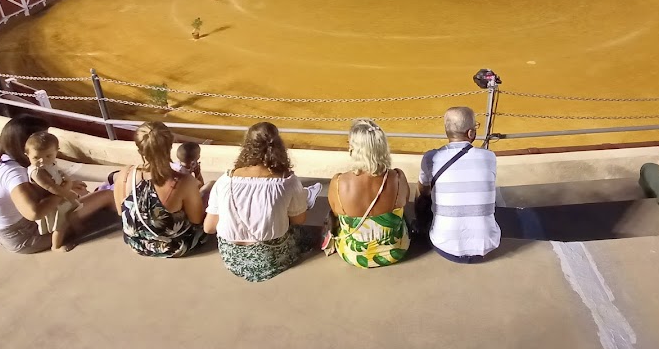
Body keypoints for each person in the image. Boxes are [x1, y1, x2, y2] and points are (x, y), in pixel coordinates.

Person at [0, 115, 114, 254]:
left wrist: (67, 187)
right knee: (105, 196)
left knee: (81, 193)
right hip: (26, 237)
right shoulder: (14, 174)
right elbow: (34, 213)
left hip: (3, 233)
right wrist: (63, 191)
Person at [203, 122, 316, 282]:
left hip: (231, 258)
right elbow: (299, 220)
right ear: (278, 146)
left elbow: (209, 228)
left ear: (247, 146)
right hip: (270, 257)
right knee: (304, 234)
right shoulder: (287, 182)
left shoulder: (225, 180)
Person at [113, 122, 207, 258]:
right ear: (170, 146)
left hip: (137, 244)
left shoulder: (125, 174)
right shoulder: (183, 181)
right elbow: (197, 220)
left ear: (140, 149)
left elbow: (120, 212)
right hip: (174, 246)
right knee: (210, 187)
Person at [418, 107, 500, 263]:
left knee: (425, 195)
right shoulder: (489, 157)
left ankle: (421, 225)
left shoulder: (430, 157)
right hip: (486, 247)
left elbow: (423, 191)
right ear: (471, 133)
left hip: (444, 246)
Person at [327, 119, 410, 268]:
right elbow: (404, 202)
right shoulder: (398, 177)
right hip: (394, 252)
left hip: (354, 256)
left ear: (353, 149)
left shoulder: (339, 182)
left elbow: (335, 213)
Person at [26, 131, 81, 252]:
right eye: (36, 157)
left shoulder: (50, 164)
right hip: (52, 203)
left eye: (48, 156)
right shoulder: (37, 172)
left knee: (71, 215)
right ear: (27, 154)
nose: (42, 161)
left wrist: (67, 180)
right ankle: (55, 246)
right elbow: (54, 189)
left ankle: (79, 230)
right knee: (60, 225)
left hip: (61, 197)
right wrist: (69, 186)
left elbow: (57, 174)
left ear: (57, 152)